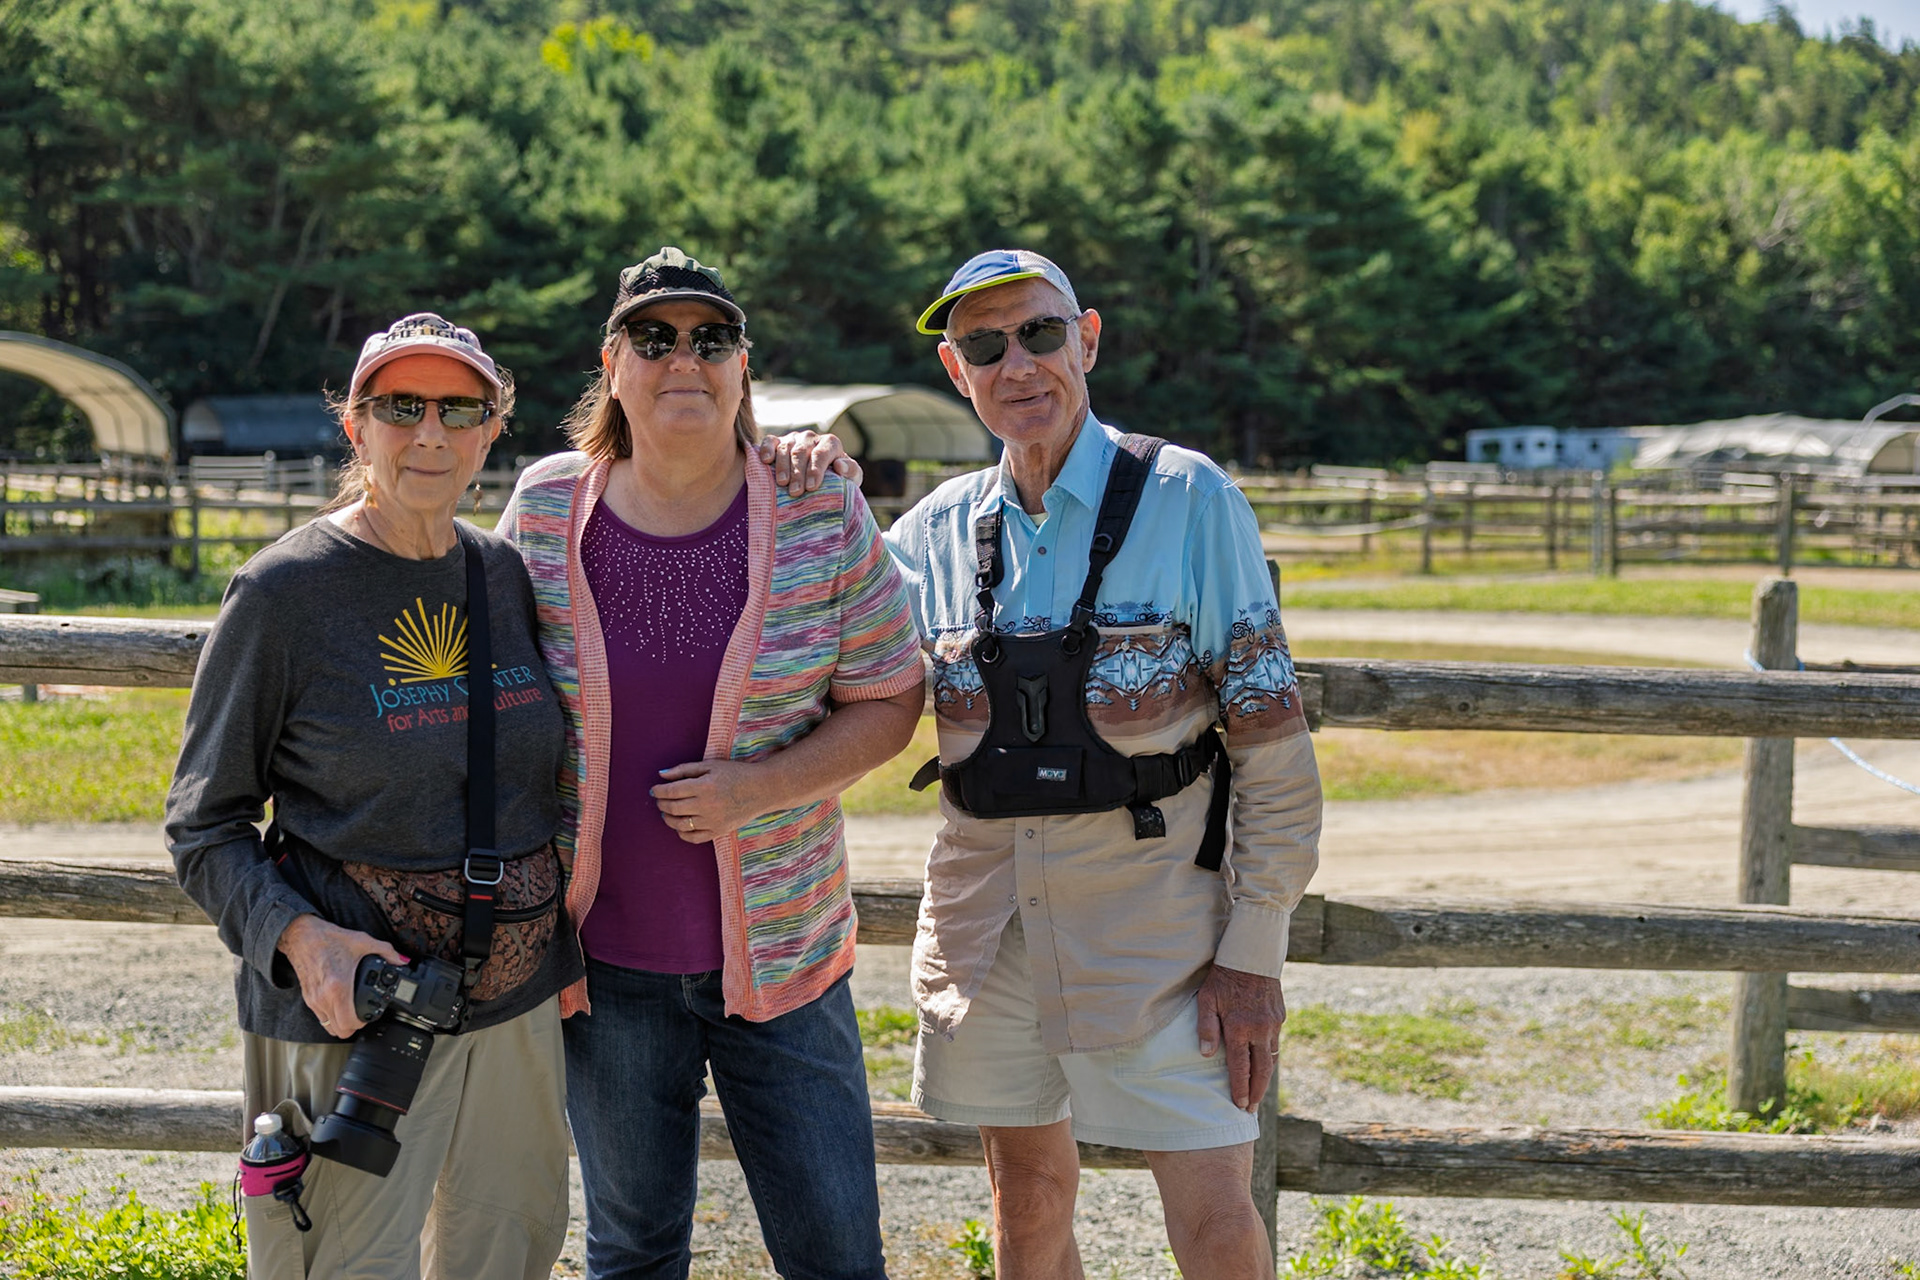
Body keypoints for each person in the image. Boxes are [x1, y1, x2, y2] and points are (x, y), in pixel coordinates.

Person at [882, 250, 1323, 1279]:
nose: (1017, 364)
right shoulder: (933, 533)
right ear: (958, 370)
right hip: (993, 922)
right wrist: (798, 472)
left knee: (1214, 1215)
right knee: (1026, 1201)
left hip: (1160, 920)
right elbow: (814, 617)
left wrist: (1253, 950)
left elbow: (1270, 737)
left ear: (1086, 337)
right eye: (985, 346)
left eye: (1038, 333)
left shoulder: (1188, 497)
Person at [498, 246, 926, 1280]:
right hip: (605, 972)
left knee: (835, 1252)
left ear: (745, 368)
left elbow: (893, 693)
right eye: (654, 338)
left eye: (710, 338)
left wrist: (762, 787)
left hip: (783, 958)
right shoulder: (547, 511)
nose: (682, 359)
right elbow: (491, 696)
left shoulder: (821, 511)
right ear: (612, 363)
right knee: (634, 1251)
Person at [166, 313, 583, 1279]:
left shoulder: (503, 574)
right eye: (400, 406)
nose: (429, 433)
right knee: (342, 1265)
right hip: (359, 1009)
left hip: (513, 1004)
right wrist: (303, 943)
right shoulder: (282, 595)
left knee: (508, 1253)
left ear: (491, 430)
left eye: (458, 409)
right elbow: (204, 827)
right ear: (354, 426)